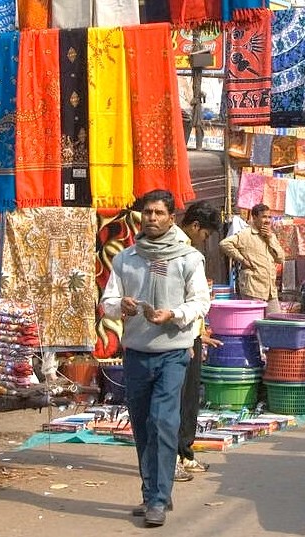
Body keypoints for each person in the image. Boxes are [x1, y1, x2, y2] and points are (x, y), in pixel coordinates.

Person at [99, 190, 211, 527]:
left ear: (171, 218)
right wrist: (121, 306)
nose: (151, 218)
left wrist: (173, 314)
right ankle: (154, 491)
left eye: (159, 213)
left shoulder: (189, 258)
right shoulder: (126, 258)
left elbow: (200, 301)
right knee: (143, 426)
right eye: (147, 212)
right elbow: (107, 302)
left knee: (163, 421)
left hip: (173, 352)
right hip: (137, 354)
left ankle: (157, 499)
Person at [173, 201, 223, 482]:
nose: (205, 240)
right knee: (179, 399)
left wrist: (198, 333)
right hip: (179, 335)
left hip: (190, 332)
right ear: (194, 226)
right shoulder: (179, 250)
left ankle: (185, 452)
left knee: (189, 398)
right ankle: (175, 456)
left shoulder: (189, 250)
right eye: (205, 234)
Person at [219, 203, 285, 314]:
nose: (267, 221)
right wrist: (241, 259)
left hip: (271, 291)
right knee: (253, 320)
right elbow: (224, 244)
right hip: (253, 288)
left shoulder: (271, 236)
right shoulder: (246, 234)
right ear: (254, 217)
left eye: (269, 217)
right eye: (264, 217)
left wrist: (270, 239)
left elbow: (280, 259)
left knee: (276, 320)